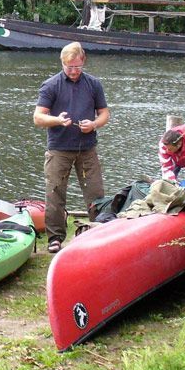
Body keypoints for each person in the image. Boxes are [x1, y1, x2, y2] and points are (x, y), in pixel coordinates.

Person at [33, 42, 110, 253]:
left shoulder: (93, 84)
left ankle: (98, 232)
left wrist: (94, 124)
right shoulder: (50, 85)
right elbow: (38, 117)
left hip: (87, 148)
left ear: (83, 61)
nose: (74, 71)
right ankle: (55, 238)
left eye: (77, 66)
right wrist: (57, 120)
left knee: (96, 192)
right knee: (55, 193)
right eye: (69, 67)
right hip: (59, 148)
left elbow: (104, 114)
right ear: (62, 63)